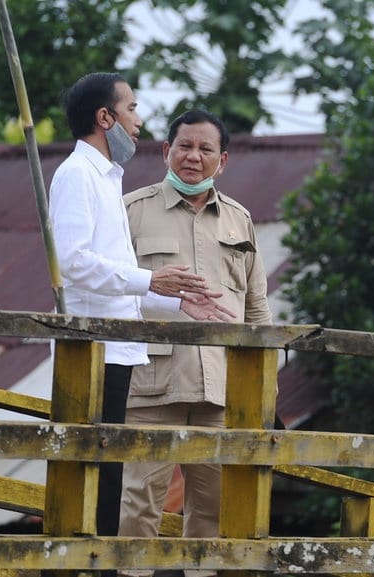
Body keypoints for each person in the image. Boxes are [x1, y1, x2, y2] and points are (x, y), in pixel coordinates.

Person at [48, 73, 233, 543]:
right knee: (98, 486)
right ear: (104, 117)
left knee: (110, 485)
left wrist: (177, 302)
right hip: (92, 354)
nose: (138, 120)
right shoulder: (77, 174)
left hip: (121, 351)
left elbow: (119, 284)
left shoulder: (107, 178)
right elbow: (72, 263)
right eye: (131, 109)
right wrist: (153, 279)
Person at [118, 109, 272, 577]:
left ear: (221, 161)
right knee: (137, 505)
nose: (193, 157)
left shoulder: (240, 221)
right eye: (184, 146)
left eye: (206, 149)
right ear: (166, 152)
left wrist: (265, 392)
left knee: (216, 511)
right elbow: (108, 296)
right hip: (151, 383)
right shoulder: (130, 211)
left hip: (222, 389)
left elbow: (257, 311)